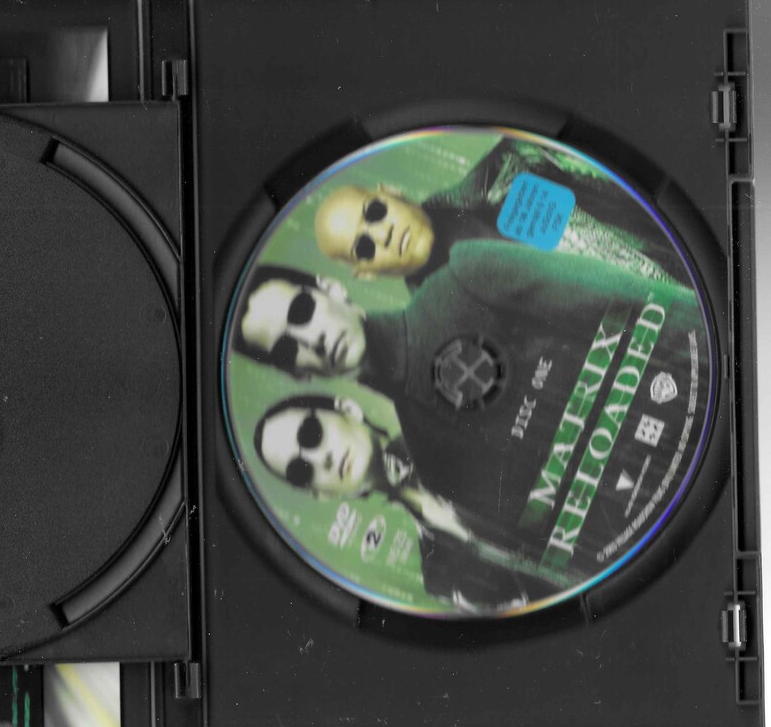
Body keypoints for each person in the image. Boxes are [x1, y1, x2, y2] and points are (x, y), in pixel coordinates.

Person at [229, 244, 705, 570]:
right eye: (287, 348)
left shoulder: (465, 277)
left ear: (329, 289)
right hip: (687, 528)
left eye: (300, 311)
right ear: (299, 374)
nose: (310, 339)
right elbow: (580, 547)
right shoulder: (434, 466)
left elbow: (654, 307)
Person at [251, 394, 565, 611]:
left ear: (347, 408)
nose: (322, 458)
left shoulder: (458, 417)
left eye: (311, 433)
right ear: (323, 493)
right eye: (302, 470)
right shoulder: (438, 577)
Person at [312, 136, 685, 288]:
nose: (383, 234)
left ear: (391, 193)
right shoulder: (448, 344)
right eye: (363, 247)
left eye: (374, 212)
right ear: (366, 273)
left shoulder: (518, 160)